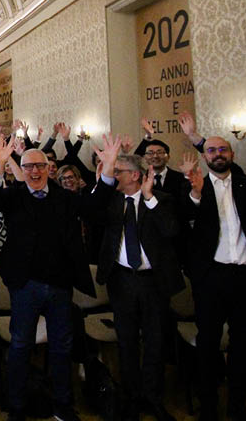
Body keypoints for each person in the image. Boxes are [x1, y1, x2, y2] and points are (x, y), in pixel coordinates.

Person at [0, 134, 94, 421]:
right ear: (22, 169)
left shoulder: (64, 198)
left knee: (62, 345)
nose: (34, 171)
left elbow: (95, 207)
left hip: (59, 284)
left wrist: (106, 173)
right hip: (24, 285)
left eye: (40, 166)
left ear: (50, 169)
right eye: (28, 166)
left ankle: (62, 405)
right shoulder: (14, 196)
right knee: (21, 344)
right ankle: (17, 406)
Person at [180, 136, 246, 421]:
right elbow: (183, 218)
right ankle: (209, 409)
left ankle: (237, 408)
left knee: (243, 344)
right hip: (211, 278)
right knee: (208, 345)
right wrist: (197, 195)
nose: (217, 154)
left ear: (231, 153)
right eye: (211, 150)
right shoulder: (193, 185)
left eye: (222, 149)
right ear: (204, 156)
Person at [89, 136, 182, 421]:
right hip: (122, 280)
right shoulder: (111, 201)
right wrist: (104, 173)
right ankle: (131, 397)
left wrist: (150, 197)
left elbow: (171, 232)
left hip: (153, 281)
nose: (114, 175)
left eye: (118, 171)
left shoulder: (161, 199)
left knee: (154, 341)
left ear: (134, 175)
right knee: (127, 341)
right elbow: (90, 212)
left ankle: (153, 398)